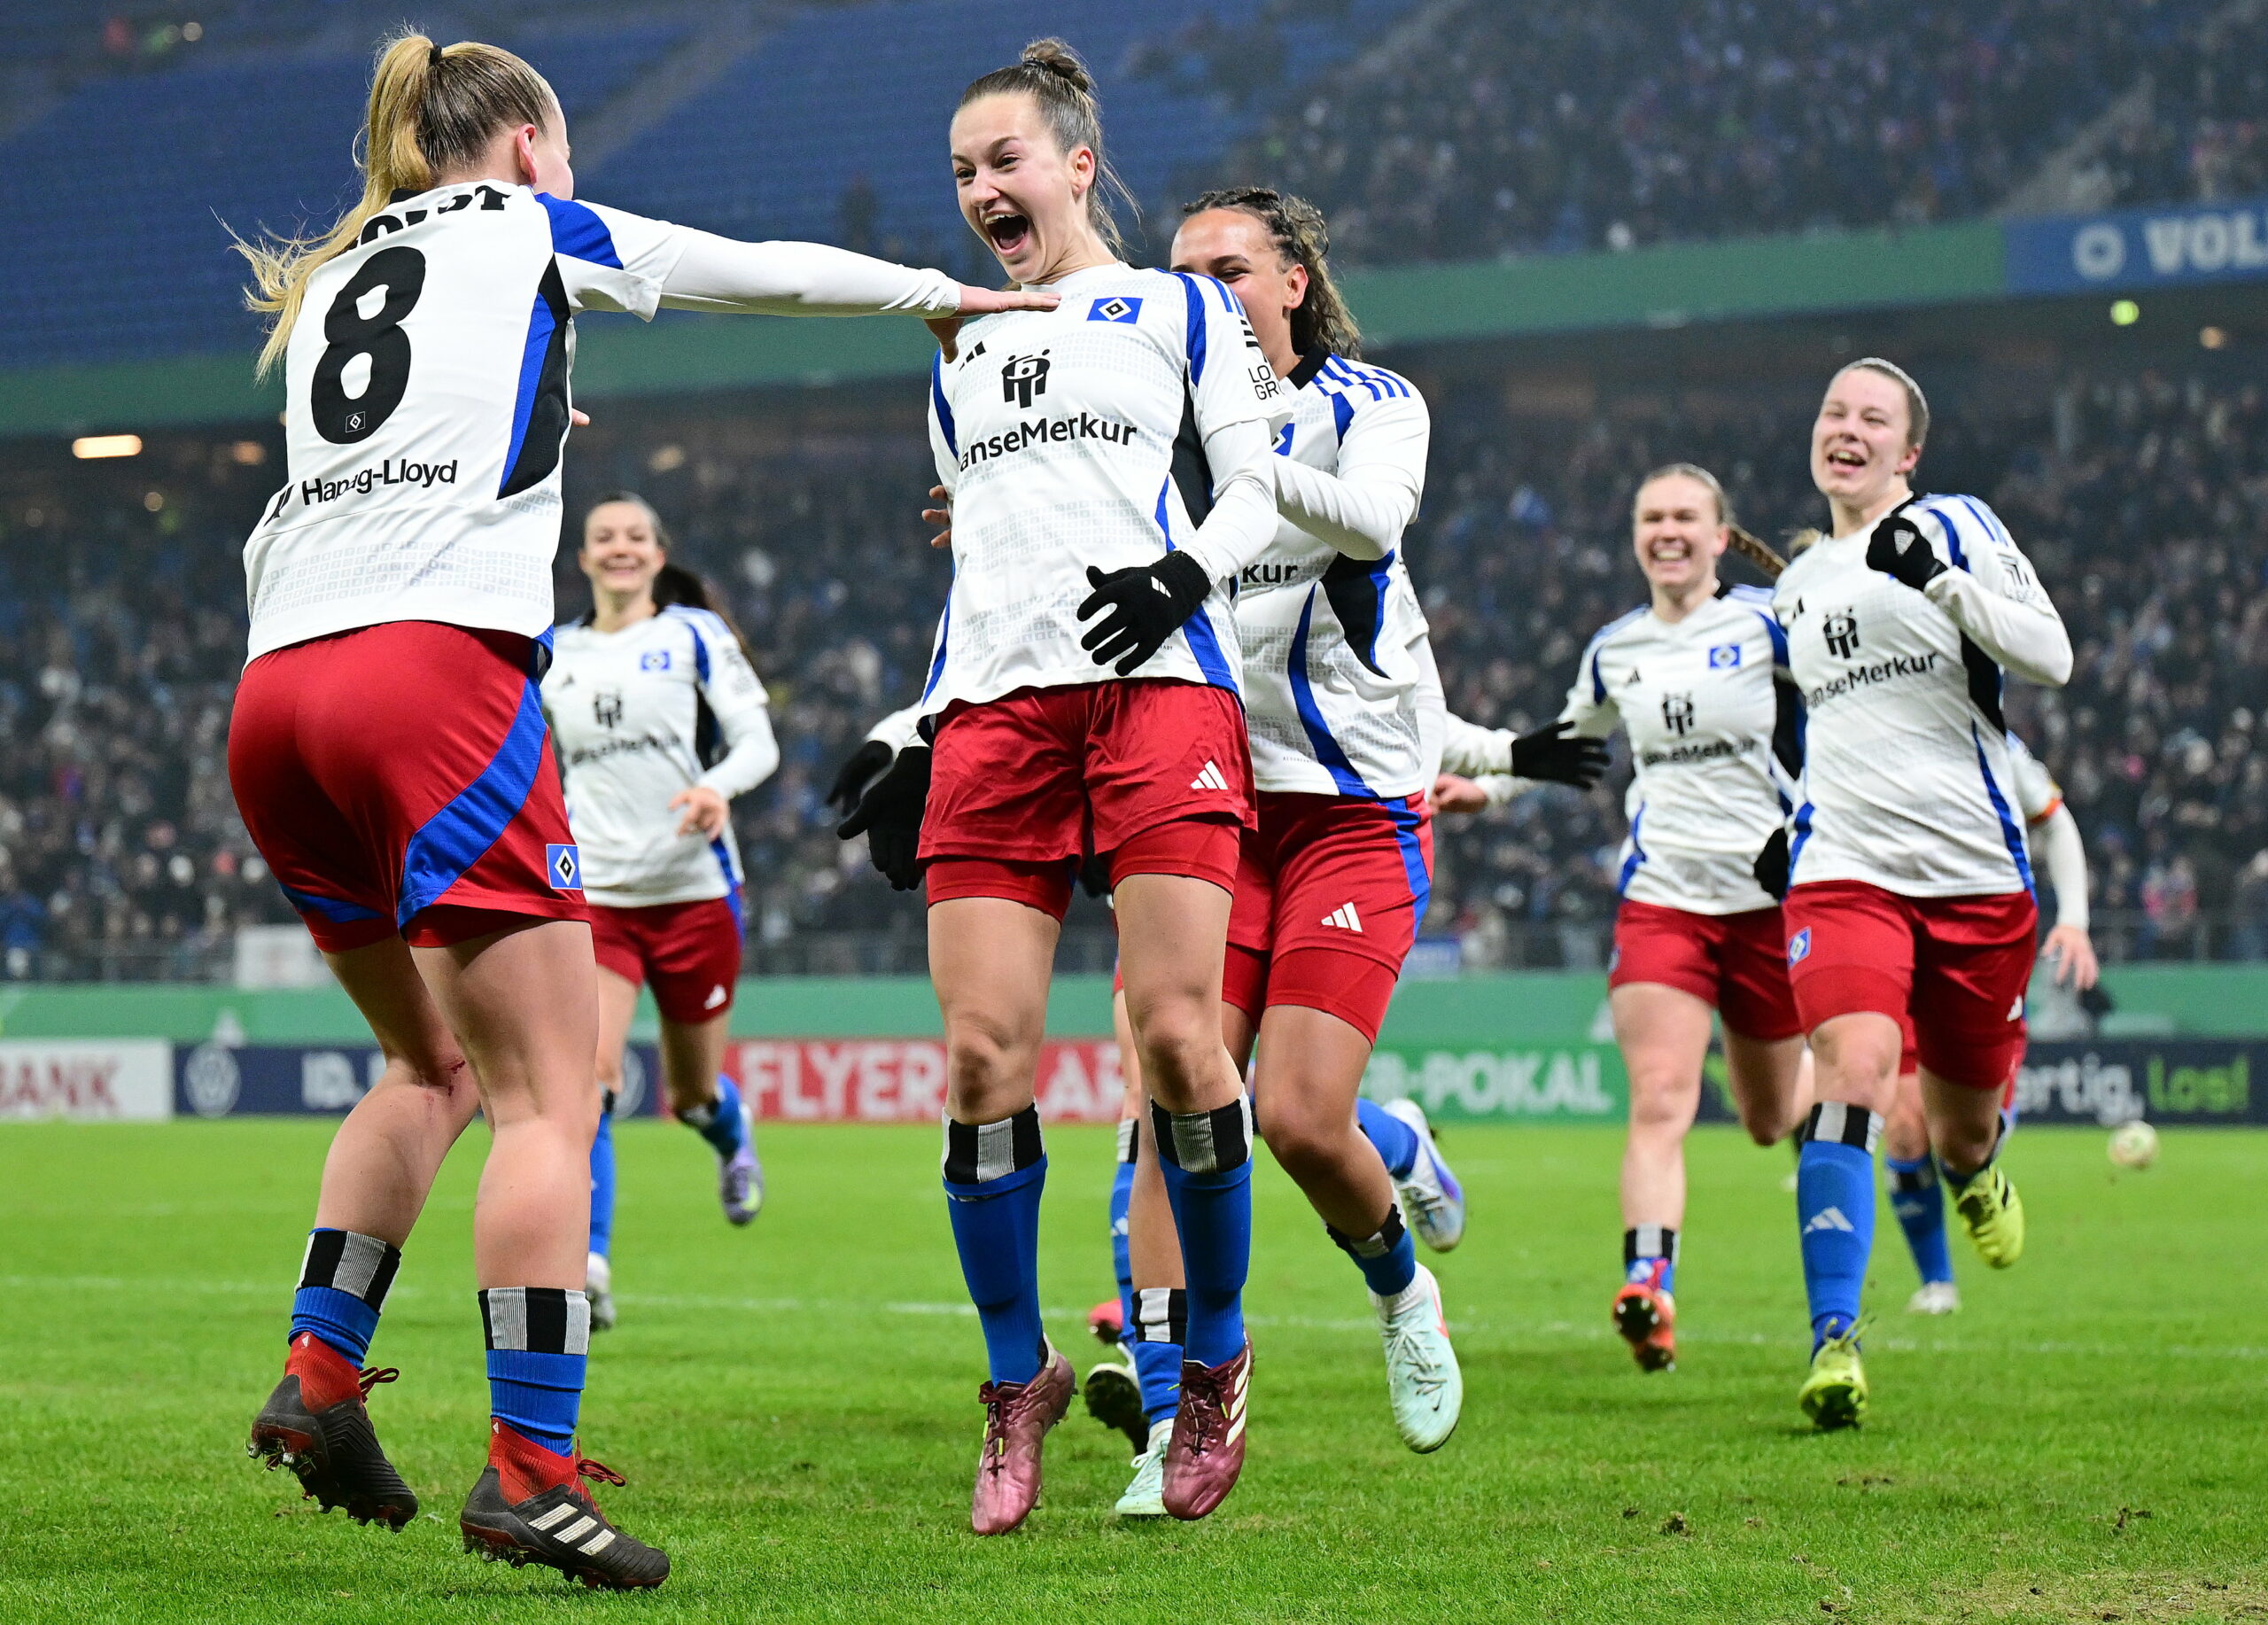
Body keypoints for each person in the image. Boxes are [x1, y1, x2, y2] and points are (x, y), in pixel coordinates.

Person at [229, 31, 1053, 1588]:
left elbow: (413, 433)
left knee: (427, 1060)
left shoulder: (339, 273)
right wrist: (938, 295)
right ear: (533, 143)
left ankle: (323, 1370)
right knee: (549, 1096)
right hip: (431, 679)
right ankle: (530, 1470)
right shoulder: (532, 222)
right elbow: (757, 271)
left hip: (275, 695)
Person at [836, 39, 1293, 1534]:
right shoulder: (958, 341)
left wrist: (1181, 574)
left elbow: (1254, 485)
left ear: (1079, 165)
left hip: (1162, 690)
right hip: (998, 715)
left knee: (1175, 1033)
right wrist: (916, 723)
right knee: (980, 1056)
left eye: (1006, 163)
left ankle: (1213, 1354)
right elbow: (991, 562)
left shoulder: (1175, 307)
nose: (982, 191)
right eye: (965, 173)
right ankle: (1011, 1371)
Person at [1767, 358, 2070, 1429]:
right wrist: (1779, 825)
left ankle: (1980, 1168)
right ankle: (1835, 1338)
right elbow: (1797, 738)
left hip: (1976, 878)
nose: (1844, 427)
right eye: (1831, 409)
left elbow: (2053, 656)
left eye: (1871, 417)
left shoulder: (1955, 524)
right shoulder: (1792, 589)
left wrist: (1942, 582)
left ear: (1908, 452)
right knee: (1849, 1075)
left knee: (1953, 1129)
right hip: (1844, 870)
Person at [1546, 464, 1813, 1374]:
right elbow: (1570, 739)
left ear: (1716, 534)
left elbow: (1848, 690)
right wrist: (1486, 779)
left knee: (1770, 1117)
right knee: (1661, 1097)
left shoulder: (1765, 620)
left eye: (1684, 516)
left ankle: (1858, 1085)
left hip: (1766, 904)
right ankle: (1649, 1286)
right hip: (1663, 899)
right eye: (1651, 515)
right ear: (1636, 536)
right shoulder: (1613, 647)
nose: (1666, 529)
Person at [546, 494, 780, 1334]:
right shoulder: (553, 652)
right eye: (604, 537)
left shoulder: (692, 636)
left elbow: (758, 741)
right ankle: (592, 1264)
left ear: (656, 552)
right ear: (582, 557)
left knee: (686, 1094)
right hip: (597, 896)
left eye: (635, 536)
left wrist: (717, 787)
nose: (620, 548)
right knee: (592, 1078)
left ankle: (727, 1127)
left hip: (693, 892)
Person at [1885, 730, 2094, 1314]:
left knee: (1963, 1137)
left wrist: (2074, 919)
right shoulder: (1862, 720)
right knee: (1904, 1125)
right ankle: (1937, 1283)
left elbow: (2054, 821)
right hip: (1895, 942)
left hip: (1980, 949)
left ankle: (1972, 1170)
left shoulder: (1993, 738)